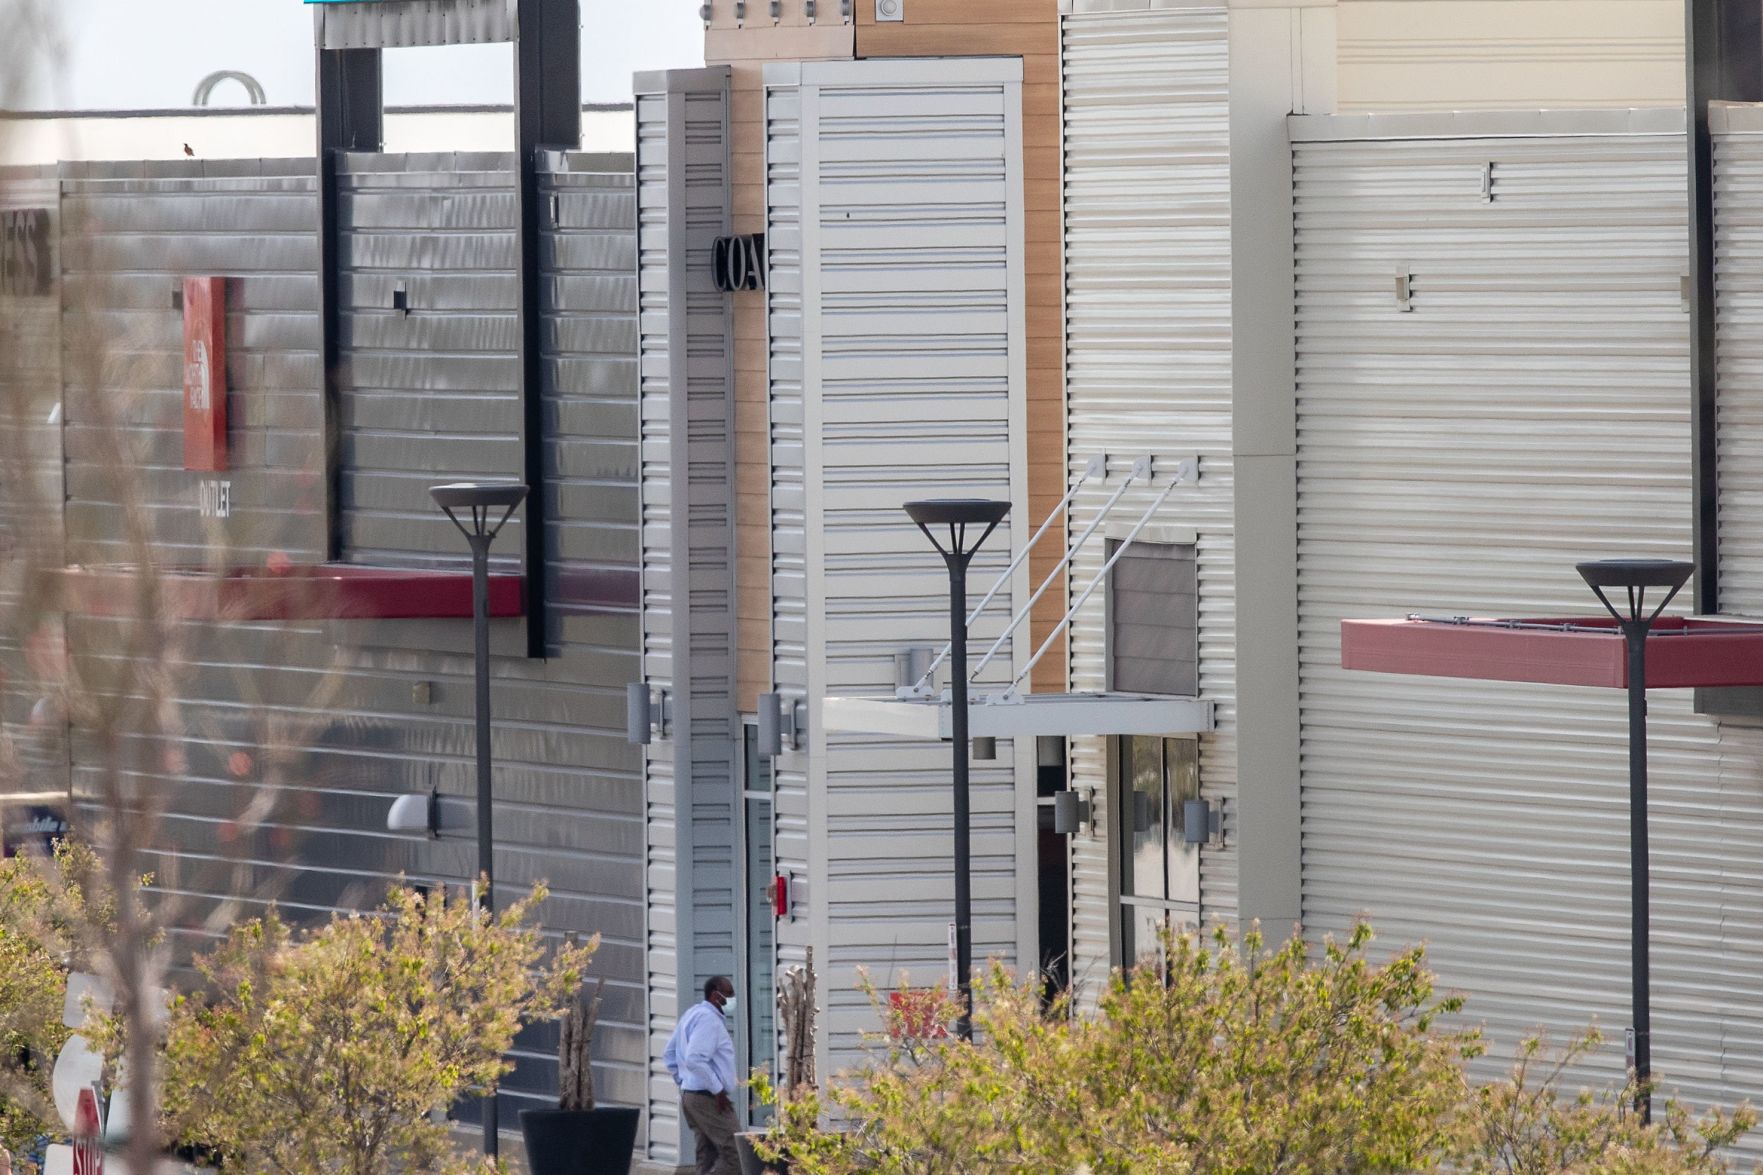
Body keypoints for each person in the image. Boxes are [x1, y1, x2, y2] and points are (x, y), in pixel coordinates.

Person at [664, 975, 741, 1175]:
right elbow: (695, 1058)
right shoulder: (710, 1020)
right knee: (737, 1154)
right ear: (716, 996)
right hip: (709, 1098)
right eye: (729, 994)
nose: (733, 998)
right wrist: (718, 1091)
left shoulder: (693, 1013)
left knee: (707, 1155)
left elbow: (669, 1054)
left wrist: (684, 1082)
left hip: (692, 1096)